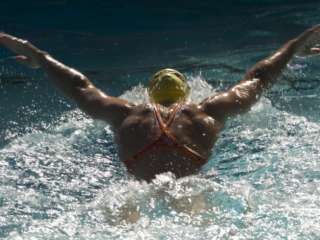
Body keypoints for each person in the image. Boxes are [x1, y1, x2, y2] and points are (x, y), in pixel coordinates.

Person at [1, 25, 319, 181]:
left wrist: (39, 57)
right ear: (185, 95)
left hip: (134, 192)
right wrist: (293, 47)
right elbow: (258, 79)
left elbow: (79, 87)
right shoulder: (205, 112)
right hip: (192, 188)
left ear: (149, 95)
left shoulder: (127, 114)